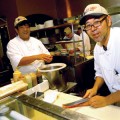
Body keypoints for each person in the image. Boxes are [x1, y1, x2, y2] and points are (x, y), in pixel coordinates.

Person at [80, 4, 120, 108]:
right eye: (88, 25)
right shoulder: (97, 48)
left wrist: (106, 100)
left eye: (97, 22)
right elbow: (100, 73)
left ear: (109, 20)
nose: (92, 29)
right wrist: (95, 88)